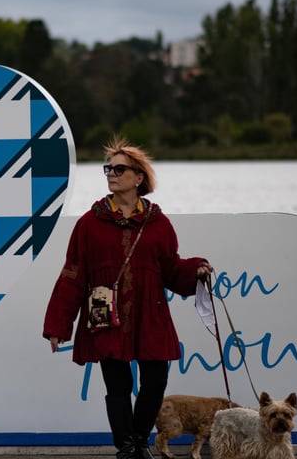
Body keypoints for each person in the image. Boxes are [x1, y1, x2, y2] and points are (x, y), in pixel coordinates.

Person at [43, 137, 213, 459]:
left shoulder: (159, 224)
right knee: (117, 385)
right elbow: (73, 275)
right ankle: (126, 446)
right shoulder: (88, 225)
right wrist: (58, 324)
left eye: (119, 169)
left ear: (139, 177)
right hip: (106, 317)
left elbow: (172, 269)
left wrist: (196, 270)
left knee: (155, 381)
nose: (111, 173)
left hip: (150, 315)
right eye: (108, 168)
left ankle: (138, 439)